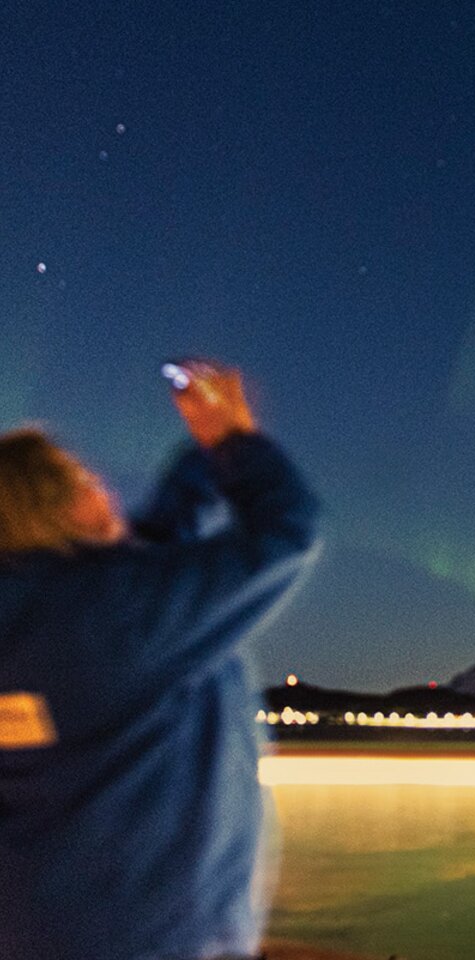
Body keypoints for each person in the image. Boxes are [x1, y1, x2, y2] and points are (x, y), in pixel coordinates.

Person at [0, 362, 321, 960]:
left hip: (34, 924)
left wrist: (202, 457)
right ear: (50, 506)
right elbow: (285, 532)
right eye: (81, 478)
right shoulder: (115, 613)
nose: (103, 485)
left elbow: (152, 549)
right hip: (156, 936)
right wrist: (234, 443)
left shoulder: (59, 609)